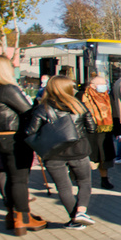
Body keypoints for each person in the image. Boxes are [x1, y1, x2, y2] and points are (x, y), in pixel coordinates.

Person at [26, 76, 97, 230]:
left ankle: (75, 219)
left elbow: (30, 132)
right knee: (84, 182)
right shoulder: (79, 106)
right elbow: (92, 128)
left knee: (64, 187)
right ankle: (81, 211)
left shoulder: (42, 108)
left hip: (53, 153)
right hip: (78, 150)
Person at [0, 56, 46, 236]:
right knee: (20, 179)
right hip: (15, 138)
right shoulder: (8, 89)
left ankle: (12, 213)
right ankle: (23, 217)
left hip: (0, 138)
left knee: (10, 176)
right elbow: (28, 111)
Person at [79, 75, 116, 189]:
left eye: (104, 84)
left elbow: (114, 114)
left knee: (104, 158)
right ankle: (83, 180)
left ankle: (104, 179)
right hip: (88, 132)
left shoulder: (107, 97)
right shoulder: (82, 96)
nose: (103, 86)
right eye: (101, 84)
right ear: (92, 86)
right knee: (87, 157)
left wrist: (118, 132)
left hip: (104, 131)